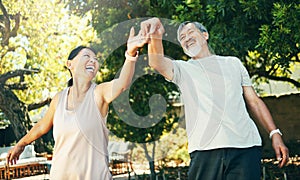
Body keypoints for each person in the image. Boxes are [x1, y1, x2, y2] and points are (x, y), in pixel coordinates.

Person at [139, 18, 289, 180]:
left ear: (205, 35)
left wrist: (275, 133)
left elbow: (254, 101)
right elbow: (156, 62)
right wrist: (155, 34)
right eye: (182, 38)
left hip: (245, 148)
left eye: (190, 32)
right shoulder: (183, 69)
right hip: (205, 150)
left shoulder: (233, 63)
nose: (186, 38)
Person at [6, 27, 147, 179]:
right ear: (70, 64)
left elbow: (122, 83)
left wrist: (131, 54)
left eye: (95, 59)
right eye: (86, 56)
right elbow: (41, 126)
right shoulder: (59, 99)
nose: (93, 61)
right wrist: (21, 144)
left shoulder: (99, 93)